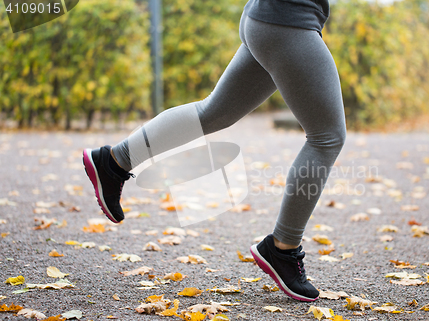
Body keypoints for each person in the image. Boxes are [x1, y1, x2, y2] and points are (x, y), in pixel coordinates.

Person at [83, 0, 346, 302]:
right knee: (326, 137)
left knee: (213, 113)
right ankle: (283, 248)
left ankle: (114, 161)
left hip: (264, 19)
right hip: (288, 22)